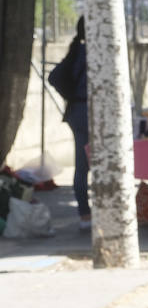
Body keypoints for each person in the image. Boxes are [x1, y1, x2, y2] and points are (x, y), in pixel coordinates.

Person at [47, 17, 90, 229]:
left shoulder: (77, 52)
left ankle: (85, 215)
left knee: (82, 166)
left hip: (77, 112)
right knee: (96, 165)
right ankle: (90, 213)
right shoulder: (98, 53)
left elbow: (54, 77)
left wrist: (72, 96)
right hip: (91, 113)